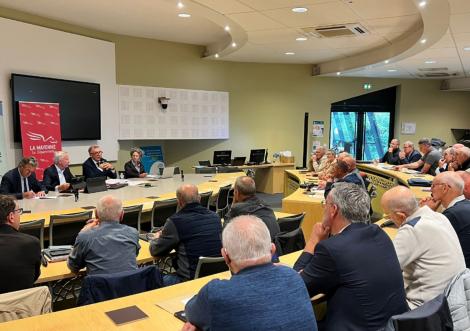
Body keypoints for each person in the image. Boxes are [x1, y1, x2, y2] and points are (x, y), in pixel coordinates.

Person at [294, 183, 407, 330]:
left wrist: (313, 241)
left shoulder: (332, 248)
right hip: (392, 325)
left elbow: (297, 286)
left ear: (333, 209)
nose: (324, 208)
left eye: (325, 204)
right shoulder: (379, 233)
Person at [184, 215, 317, 331]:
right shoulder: (293, 276)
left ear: (225, 256)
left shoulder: (216, 293)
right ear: (272, 250)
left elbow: (191, 312)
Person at [381, 186, 466, 309]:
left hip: (424, 308)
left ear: (400, 215)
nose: (390, 219)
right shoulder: (439, 217)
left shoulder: (411, 230)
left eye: (388, 216)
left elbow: (384, 270)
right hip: (452, 299)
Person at [149, 184, 222, 286]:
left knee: (151, 280)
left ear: (179, 202)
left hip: (189, 281)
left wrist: (156, 238)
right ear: (199, 198)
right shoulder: (215, 217)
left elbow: (155, 250)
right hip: (217, 277)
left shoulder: (175, 222)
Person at [67, 195, 140, 275]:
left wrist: (83, 232)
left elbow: (73, 267)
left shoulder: (85, 236)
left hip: (100, 287)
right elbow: (133, 255)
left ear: (96, 214)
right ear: (122, 214)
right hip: (131, 286)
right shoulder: (133, 233)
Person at [419, 172, 470, 267]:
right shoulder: (464, 205)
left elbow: (423, 239)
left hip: (459, 272)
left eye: (433, 186)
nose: (430, 189)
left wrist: (425, 211)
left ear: (445, 188)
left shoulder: (453, 214)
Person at [0, 195, 41, 294]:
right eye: (19, 211)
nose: (20, 215)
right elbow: (35, 276)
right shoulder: (31, 243)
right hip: (23, 306)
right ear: (11, 217)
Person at [223, 176, 280, 242]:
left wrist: (233, 206)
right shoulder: (265, 204)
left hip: (258, 249)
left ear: (236, 192)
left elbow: (225, 232)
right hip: (275, 247)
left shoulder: (237, 209)